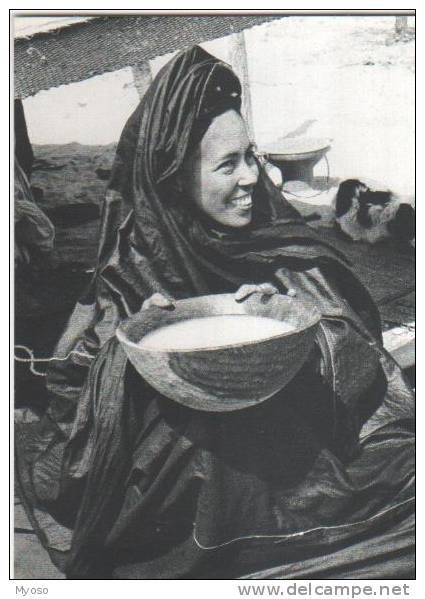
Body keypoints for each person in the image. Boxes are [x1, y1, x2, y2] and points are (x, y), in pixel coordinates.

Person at [15, 46, 414, 580]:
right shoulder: (136, 260)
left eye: (251, 156)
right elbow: (74, 398)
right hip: (190, 479)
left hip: (304, 452)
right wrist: (126, 349)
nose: (251, 178)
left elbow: (367, 362)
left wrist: (304, 322)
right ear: (176, 176)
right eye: (228, 164)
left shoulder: (282, 242)